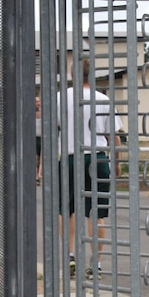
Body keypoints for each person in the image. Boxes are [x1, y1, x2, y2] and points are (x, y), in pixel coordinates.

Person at [58, 59, 123, 279]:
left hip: (69, 157)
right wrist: (117, 162)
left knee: (66, 211)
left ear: (72, 74)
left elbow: (52, 128)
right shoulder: (104, 99)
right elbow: (114, 136)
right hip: (97, 158)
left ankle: (69, 257)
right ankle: (96, 265)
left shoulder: (60, 98)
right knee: (96, 214)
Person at [36, 96, 43, 186]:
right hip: (34, 139)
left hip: (42, 139)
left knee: (41, 160)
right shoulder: (30, 113)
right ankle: (36, 178)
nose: (38, 103)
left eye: (39, 101)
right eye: (36, 102)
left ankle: (39, 176)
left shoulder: (42, 113)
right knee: (35, 160)